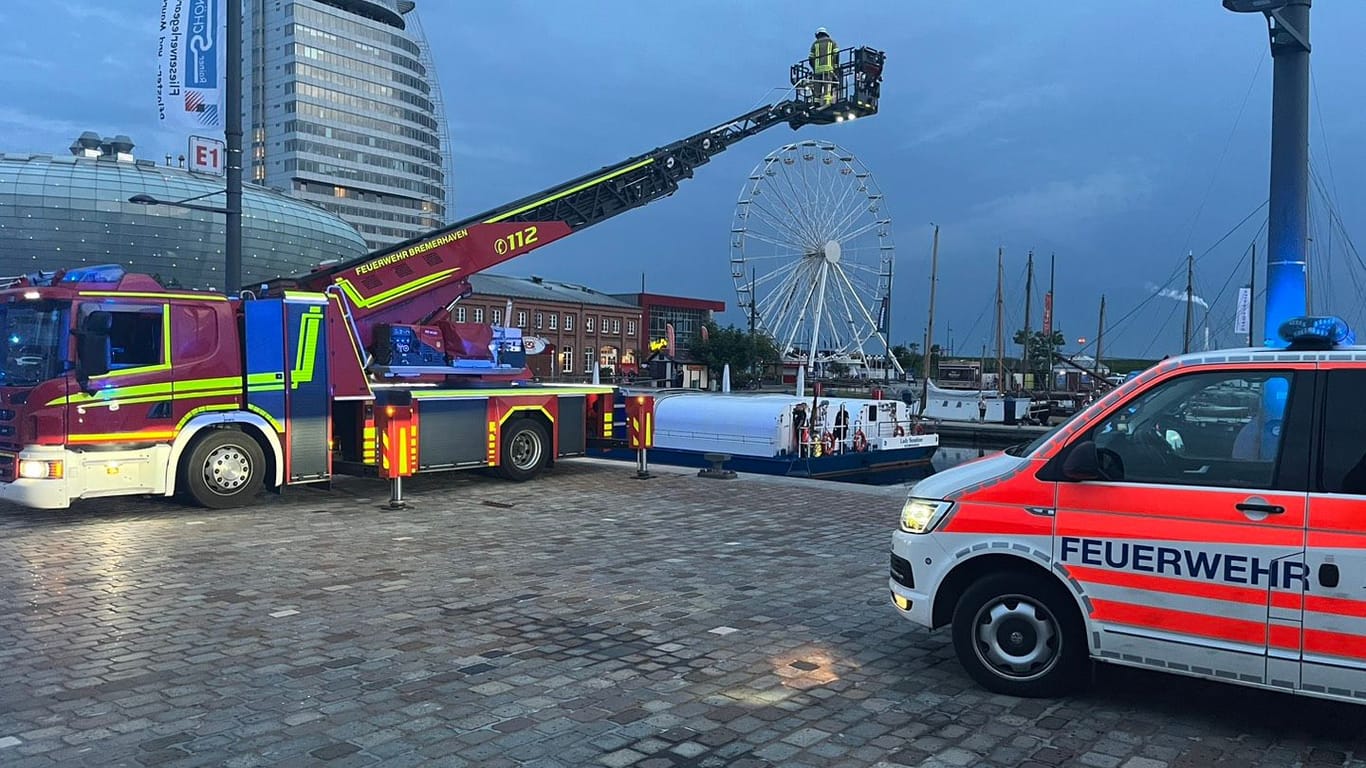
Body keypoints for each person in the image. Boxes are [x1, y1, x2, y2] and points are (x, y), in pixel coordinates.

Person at [809, 28, 839, 106]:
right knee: (827, 86)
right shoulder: (832, 42)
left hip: (817, 70)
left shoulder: (814, 44)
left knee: (817, 86)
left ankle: (816, 102)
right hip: (828, 69)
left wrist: (814, 68)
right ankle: (827, 102)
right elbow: (836, 54)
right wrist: (835, 66)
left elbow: (811, 58)